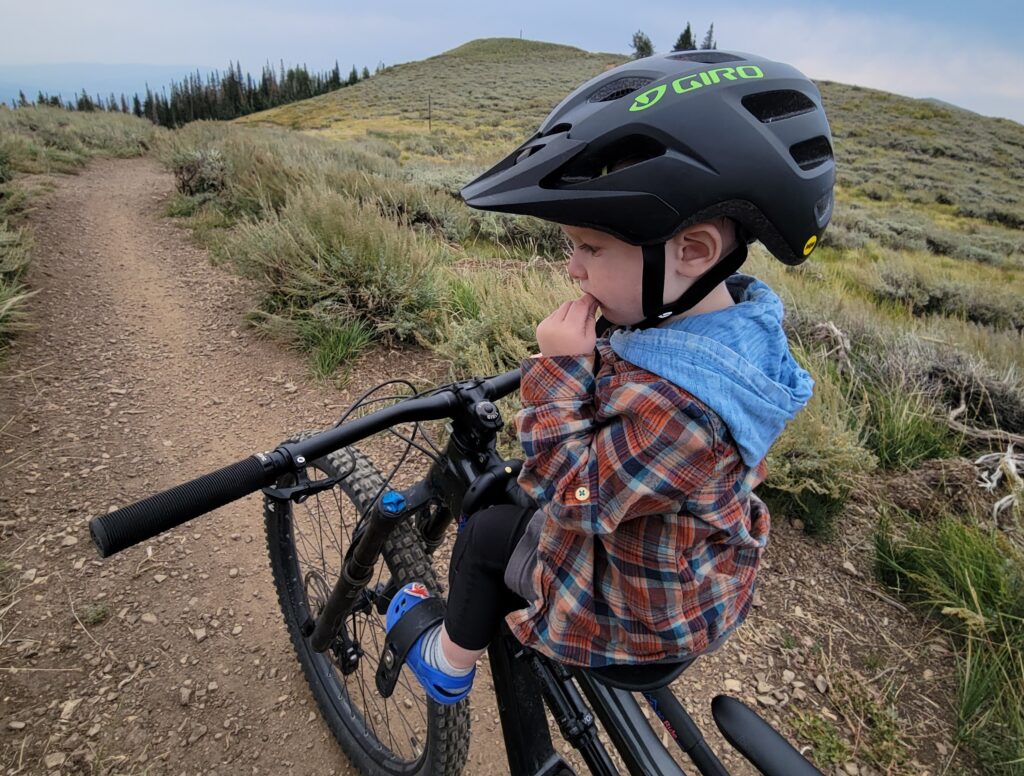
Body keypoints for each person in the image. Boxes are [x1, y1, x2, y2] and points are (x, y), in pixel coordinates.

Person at [385, 50, 834, 704]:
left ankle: (447, 664)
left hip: (638, 615)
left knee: (485, 530)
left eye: (590, 247)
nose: (573, 267)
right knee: (513, 505)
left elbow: (575, 495)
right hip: (688, 567)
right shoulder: (728, 331)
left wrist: (560, 374)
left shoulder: (683, 408)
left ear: (693, 251)